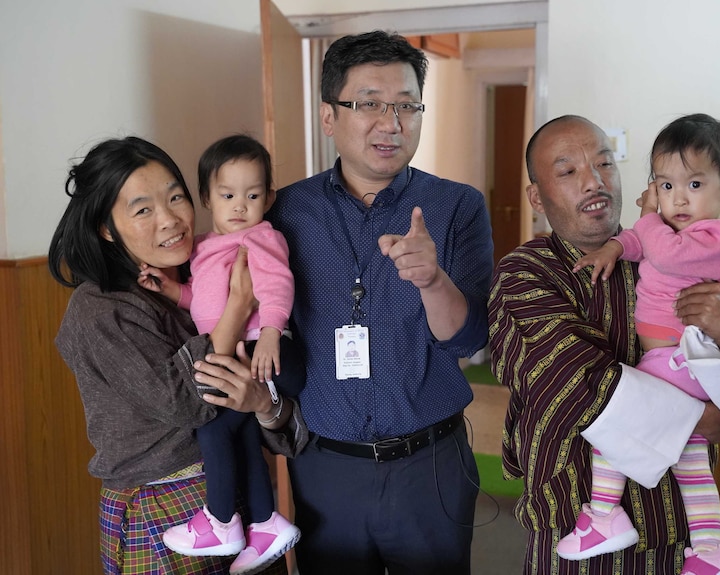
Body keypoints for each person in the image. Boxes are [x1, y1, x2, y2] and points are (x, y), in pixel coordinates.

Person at [487, 115, 720, 575]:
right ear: (537, 197)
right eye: (568, 172)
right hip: (574, 530)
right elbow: (578, 384)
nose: (594, 181)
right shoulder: (526, 273)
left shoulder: (680, 254)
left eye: (605, 163)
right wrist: (707, 415)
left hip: (676, 530)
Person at [266, 30, 494, 575]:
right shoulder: (286, 213)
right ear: (329, 116)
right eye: (368, 103)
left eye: (406, 105)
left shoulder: (456, 206)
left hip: (431, 464)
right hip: (326, 467)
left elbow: (471, 337)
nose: (391, 123)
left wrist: (433, 280)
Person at [48, 136, 307, 575]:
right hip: (163, 513)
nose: (169, 219)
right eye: (143, 209)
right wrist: (238, 309)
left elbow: (283, 422)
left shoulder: (212, 269)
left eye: (175, 198)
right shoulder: (100, 309)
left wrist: (264, 404)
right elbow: (185, 404)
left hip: (246, 506)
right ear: (106, 229)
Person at [558, 114, 720, 574]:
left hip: (681, 360)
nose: (677, 198)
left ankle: (604, 515)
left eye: (694, 184)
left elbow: (661, 250)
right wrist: (614, 247)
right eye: (664, 186)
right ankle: (709, 552)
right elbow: (637, 243)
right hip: (676, 362)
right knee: (692, 465)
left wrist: (646, 218)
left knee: (613, 423)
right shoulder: (673, 231)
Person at [137, 135, 302, 574]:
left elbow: (276, 286)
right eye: (228, 195)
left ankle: (221, 520)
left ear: (268, 198)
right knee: (242, 436)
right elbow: (205, 300)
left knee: (211, 429)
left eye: (252, 195)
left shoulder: (260, 238)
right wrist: (173, 290)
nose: (240, 206)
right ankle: (265, 524)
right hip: (241, 353)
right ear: (207, 197)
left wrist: (271, 331)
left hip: (262, 351)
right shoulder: (209, 245)